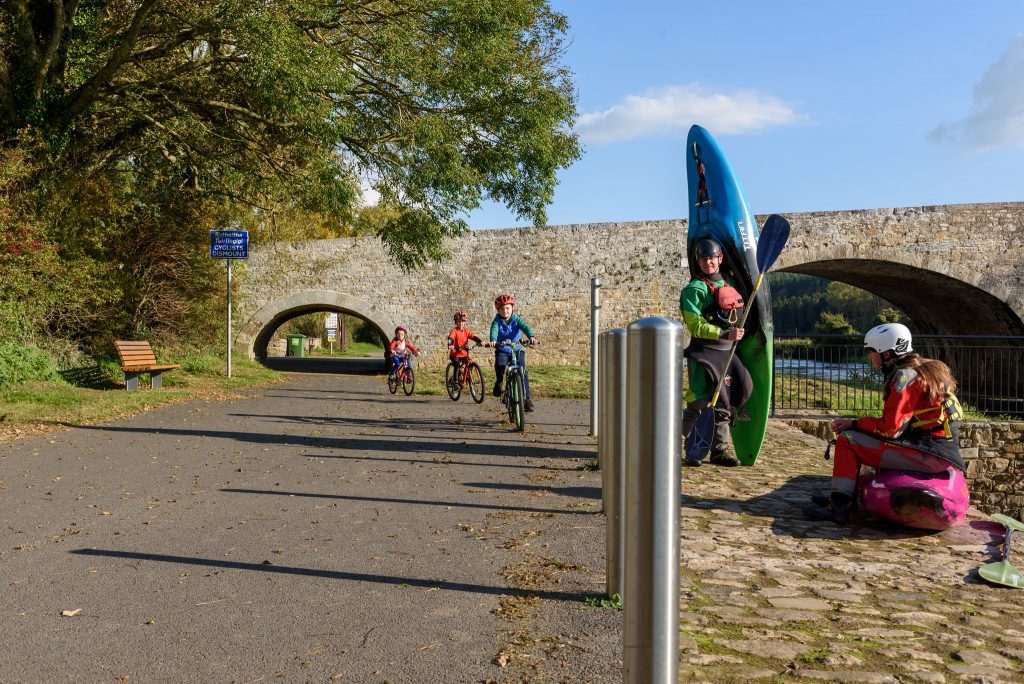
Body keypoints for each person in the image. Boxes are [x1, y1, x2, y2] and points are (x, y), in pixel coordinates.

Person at [804, 323, 967, 524]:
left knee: (848, 440)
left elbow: (890, 429)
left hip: (930, 455)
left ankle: (839, 506)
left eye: (872, 353)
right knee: (859, 435)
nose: (870, 358)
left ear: (887, 354)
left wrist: (854, 424)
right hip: (938, 449)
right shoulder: (929, 368)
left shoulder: (905, 377)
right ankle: (845, 497)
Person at [680, 237, 752, 467]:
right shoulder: (693, 290)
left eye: (712, 258)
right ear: (698, 261)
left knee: (724, 402)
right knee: (699, 401)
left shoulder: (729, 285)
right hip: (704, 353)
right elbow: (695, 325)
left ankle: (719, 451)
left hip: (727, 353)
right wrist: (724, 334)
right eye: (703, 259)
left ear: (719, 259)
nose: (708, 262)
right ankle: (690, 447)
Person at [484, 293, 538, 412]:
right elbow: (494, 331)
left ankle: (527, 399)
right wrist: (493, 340)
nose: (505, 311)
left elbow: (525, 327)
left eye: (507, 308)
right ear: (498, 310)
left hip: (517, 349)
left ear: (512, 308)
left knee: (523, 372)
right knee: (500, 365)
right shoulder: (496, 321)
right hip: (503, 349)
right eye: (502, 309)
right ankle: (499, 382)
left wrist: (531, 336)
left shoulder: (516, 318)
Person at [447, 311, 483, 379]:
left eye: (463, 321)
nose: (461, 323)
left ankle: (468, 377)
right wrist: (450, 344)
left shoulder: (466, 331)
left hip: (464, 353)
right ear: (456, 322)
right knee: (457, 365)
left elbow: (473, 337)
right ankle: (456, 382)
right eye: (459, 321)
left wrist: (481, 341)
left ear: (465, 322)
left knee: (470, 363)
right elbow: (450, 338)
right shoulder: (454, 331)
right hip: (455, 354)